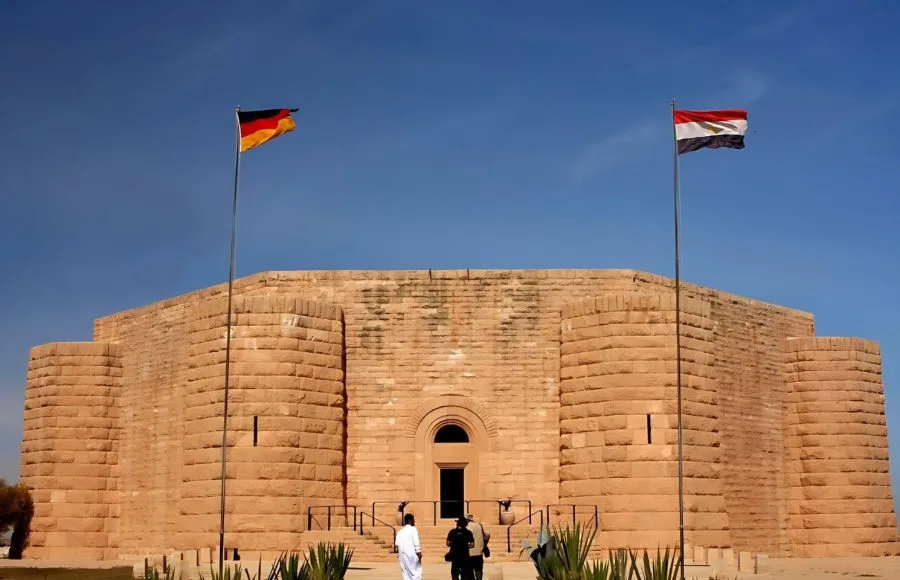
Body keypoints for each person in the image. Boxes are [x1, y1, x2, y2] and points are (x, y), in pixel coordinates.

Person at [395, 513, 422, 580]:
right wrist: (419, 551)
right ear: (410, 520)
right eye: (413, 520)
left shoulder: (400, 532)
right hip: (412, 555)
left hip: (402, 556)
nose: (414, 521)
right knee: (415, 572)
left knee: (406, 573)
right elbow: (416, 542)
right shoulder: (413, 529)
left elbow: (397, 544)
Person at [466, 513, 490, 580]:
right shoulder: (479, 525)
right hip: (479, 552)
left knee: (469, 571)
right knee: (478, 570)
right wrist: (484, 544)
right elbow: (487, 535)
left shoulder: (468, 527)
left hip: (469, 553)